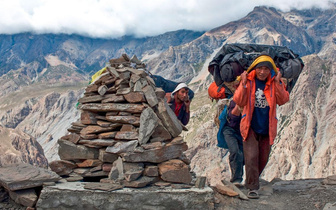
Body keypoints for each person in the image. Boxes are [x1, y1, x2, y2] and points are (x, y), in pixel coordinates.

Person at [233, 54, 290, 199]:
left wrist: (277, 83)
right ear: (255, 69)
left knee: (263, 158)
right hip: (250, 125)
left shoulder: (274, 82)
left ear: (270, 70)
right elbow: (238, 100)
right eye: (260, 68)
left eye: (266, 69)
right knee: (251, 156)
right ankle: (253, 188)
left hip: (267, 127)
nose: (262, 72)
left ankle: (250, 181)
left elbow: (283, 100)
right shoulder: (249, 81)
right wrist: (244, 84)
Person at [223, 99, 244, 186]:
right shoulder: (234, 102)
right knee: (235, 151)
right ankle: (236, 179)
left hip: (242, 130)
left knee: (243, 155)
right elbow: (233, 117)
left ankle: (241, 178)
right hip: (229, 130)